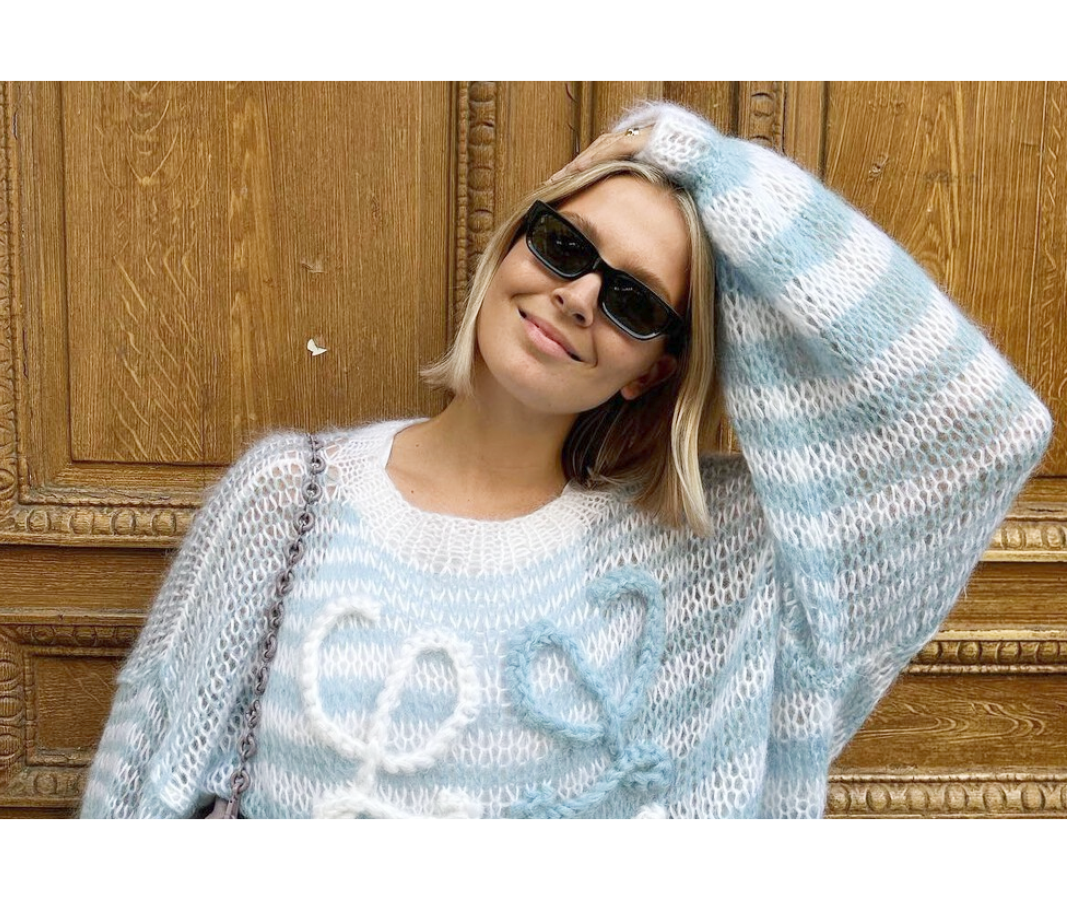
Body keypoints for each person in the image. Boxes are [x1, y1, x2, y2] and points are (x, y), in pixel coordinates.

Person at [80, 101, 1052, 818]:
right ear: (511, 248)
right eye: (562, 245)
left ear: (652, 370)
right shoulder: (288, 499)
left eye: (634, 301)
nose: (580, 295)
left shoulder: (719, 558)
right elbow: (134, 790)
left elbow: (982, 433)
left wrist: (698, 158)